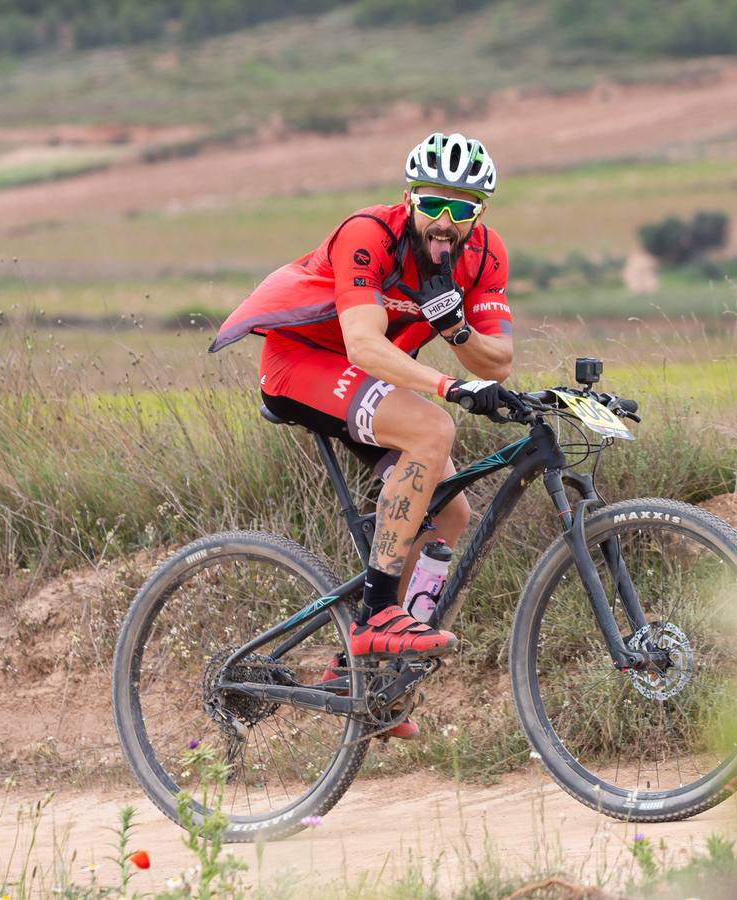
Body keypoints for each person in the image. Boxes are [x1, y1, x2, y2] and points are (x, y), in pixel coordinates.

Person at [209, 132, 513, 738]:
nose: (447, 221)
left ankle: (360, 674)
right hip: (301, 365)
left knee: (451, 514)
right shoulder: (369, 234)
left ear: (480, 213)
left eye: (464, 208)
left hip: (367, 380)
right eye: (435, 203)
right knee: (433, 426)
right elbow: (364, 344)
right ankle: (377, 615)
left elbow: (498, 360)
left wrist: (455, 331)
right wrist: (447, 387)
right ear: (410, 198)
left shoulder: (484, 255)